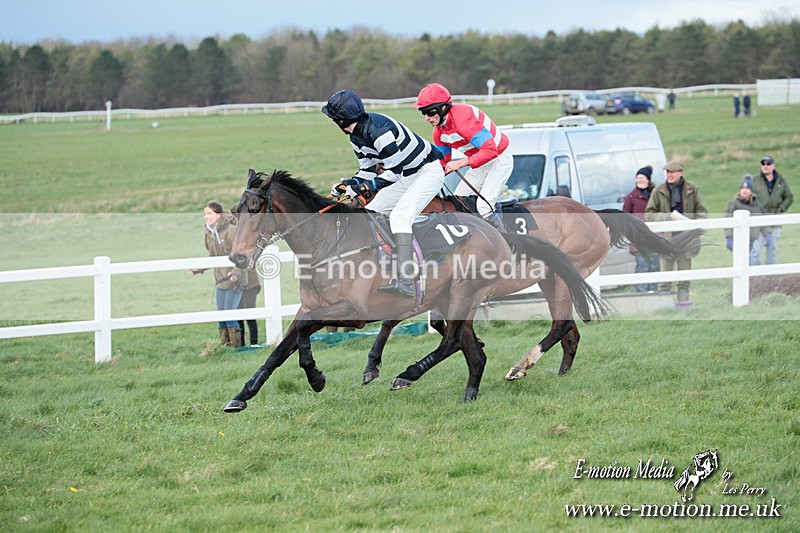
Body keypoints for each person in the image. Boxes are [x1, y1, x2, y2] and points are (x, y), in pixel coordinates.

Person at [323, 89, 445, 298]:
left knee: (399, 216)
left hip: (427, 172)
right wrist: (348, 184)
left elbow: (393, 173)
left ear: (342, 120)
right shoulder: (356, 137)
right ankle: (387, 264)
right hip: (407, 175)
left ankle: (407, 279)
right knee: (370, 213)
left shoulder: (379, 133)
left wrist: (363, 188)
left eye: (335, 119)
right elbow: (368, 171)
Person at [413, 82, 513, 231]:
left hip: (499, 159)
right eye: (423, 112)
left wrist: (460, 163)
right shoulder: (439, 132)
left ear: (443, 108)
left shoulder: (463, 119)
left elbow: (491, 150)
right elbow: (443, 162)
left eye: (429, 112)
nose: (426, 118)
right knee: (459, 201)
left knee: (484, 206)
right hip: (480, 163)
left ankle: (505, 241)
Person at [645, 160, 708, 306]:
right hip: (666, 240)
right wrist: (666, 217)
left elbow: (702, 212)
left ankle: (683, 306)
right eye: (667, 172)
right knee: (664, 279)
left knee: (684, 279)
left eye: (672, 172)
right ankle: (663, 307)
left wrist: (695, 227)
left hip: (686, 241)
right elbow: (649, 214)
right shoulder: (658, 190)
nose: (669, 174)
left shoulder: (692, 189)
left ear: (681, 173)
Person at [188, 200, 246, 347]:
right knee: (221, 316)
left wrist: (236, 274)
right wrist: (198, 269)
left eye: (209, 213)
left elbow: (242, 255)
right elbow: (212, 257)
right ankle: (224, 347)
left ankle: (235, 348)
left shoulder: (232, 231)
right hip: (220, 281)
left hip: (234, 280)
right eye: (204, 214)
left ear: (219, 215)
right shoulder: (208, 233)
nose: (206, 217)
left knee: (229, 315)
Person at [622, 165, 659, 292]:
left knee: (654, 265)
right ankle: (641, 292)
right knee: (642, 265)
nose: (640, 180)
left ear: (648, 180)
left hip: (654, 236)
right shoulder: (631, 197)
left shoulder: (656, 195)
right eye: (638, 178)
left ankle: (654, 291)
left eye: (642, 178)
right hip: (638, 238)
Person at [750, 155, 793, 264]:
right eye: (763, 164)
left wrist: (781, 208)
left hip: (775, 220)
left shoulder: (781, 181)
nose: (765, 166)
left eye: (768, 164)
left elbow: (789, 196)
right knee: (755, 251)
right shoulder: (755, 180)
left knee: (772, 250)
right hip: (758, 222)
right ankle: (754, 278)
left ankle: (770, 278)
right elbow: (748, 197)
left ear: (773, 166)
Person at [724, 175, 770, 266]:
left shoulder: (757, 204)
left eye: (747, 188)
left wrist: (767, 234)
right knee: (742, 261)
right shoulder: (734, 204)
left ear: (751, 191)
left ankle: (754, 279)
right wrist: (729, 237)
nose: (744, 191)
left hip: (754, 238)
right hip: (740, 238)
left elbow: (763, 219)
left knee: (754, 258)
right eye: (743, 188)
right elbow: (728, 219)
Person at [236, 269, 262, 346]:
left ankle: (254, 342)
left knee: (250, 315)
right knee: (238, 316)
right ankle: (241, 343)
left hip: (250, 285)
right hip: (238, 285)